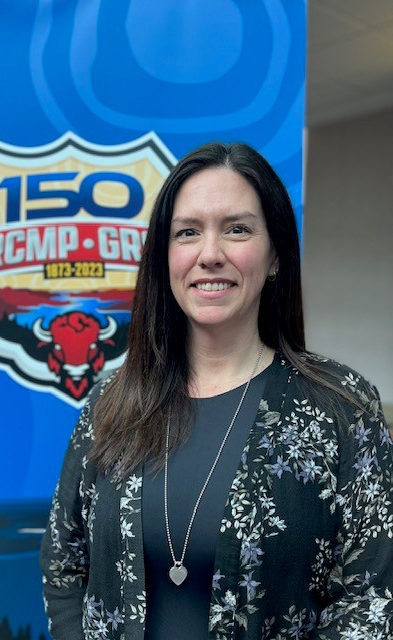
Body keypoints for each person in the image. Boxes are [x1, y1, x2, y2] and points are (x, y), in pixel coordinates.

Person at [40, 142, 392, 639]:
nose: (210, 254)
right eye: (188, 233)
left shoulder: (342, 407)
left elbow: (372, 598)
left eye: (237, 229)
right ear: (165, 259)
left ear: (274, 257)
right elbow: (63, 564)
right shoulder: (109, 405)